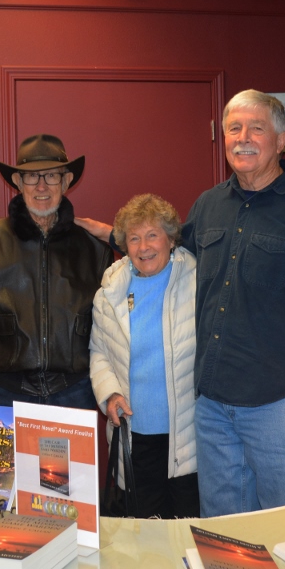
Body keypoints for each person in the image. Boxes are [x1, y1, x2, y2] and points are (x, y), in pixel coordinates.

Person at [77, 89, 285, 517]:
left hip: (283, 410)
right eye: (234, 128)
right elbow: (162, 254)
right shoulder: (209, 207)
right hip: (211, 413)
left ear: (281, 140)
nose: (243, 137)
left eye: (256, 128)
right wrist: (117, 236)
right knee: (225, 541)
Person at [0, 134, 113, 410]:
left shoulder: (95, 250)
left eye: (51, 176)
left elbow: (114, 329)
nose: (41, 186)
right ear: (17, 182)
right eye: (31, 176)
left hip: (74, 394)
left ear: (66, 181)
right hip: (4, 394)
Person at [90, 194, 199, 519]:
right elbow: (99, 352)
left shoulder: (197, 281)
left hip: (187, 434)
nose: (143, 247)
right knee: (143, 536)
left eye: (152, 235)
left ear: (170, 238)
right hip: (133, 434)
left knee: (187, 528)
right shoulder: (110, 291)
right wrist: (109, 394)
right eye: (134, 238)